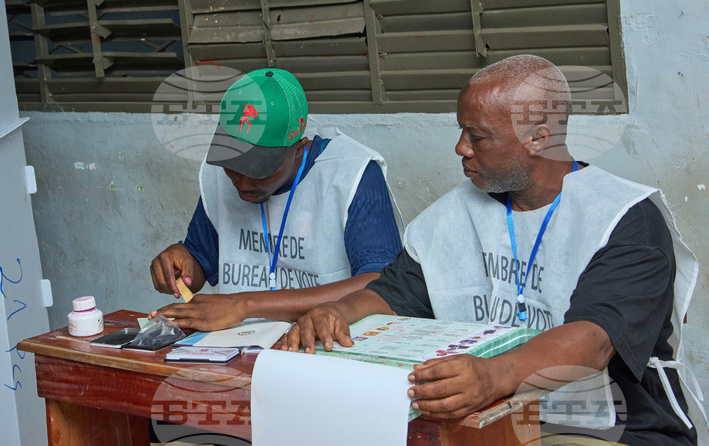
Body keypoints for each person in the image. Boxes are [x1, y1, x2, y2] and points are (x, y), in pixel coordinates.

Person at [283, 55, 700, 445]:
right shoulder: (453, 213)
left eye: (477, 136)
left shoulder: (624, 219)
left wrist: (493, 376)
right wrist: (337, 313)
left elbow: (593, 340)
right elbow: (394, 294)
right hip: (485, 419)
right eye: (461, 131)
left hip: (606, 428)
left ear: (538, 137)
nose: (461, 147)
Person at [149, 68, 403, 331]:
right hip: (238, 346)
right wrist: (183, 263)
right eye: (233, 168)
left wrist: (244, 305)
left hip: (326, 345)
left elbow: (379, 283)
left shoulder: (350, 174)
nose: (243, 184)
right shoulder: (218, 175)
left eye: (260, 171)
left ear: (299, 148)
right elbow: (200, 264)